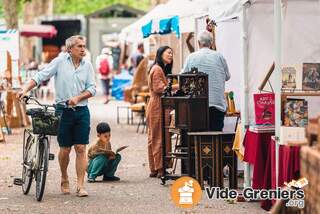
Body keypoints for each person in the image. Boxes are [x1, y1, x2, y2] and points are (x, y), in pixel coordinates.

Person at [17, 35, 96, 197]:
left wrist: (78, 98)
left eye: (84, 46)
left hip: (82, 111)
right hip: (62, 111)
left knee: (81, 148)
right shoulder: (59, 62)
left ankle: (80, 185)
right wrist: (25, 89)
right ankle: (64, 177)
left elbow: (93, 88)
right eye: (79, 46)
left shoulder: (88, 66)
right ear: (70, 49)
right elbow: (40, 76)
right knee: (65, 149)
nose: (83, 49)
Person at [182, 31, 230, 131]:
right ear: (211, 43)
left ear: (198, 42)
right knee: (216, 136)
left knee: (199, 137)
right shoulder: (219, 56)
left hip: (197, 104)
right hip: (217, 104)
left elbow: (183, 76)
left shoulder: (191, 57)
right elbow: (227, 77)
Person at [146, 46, 173, 178]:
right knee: (159, 136)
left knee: (154, 136)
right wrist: (177, 86)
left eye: (172, 53)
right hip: (158, 105)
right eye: (168, 52)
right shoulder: (157, 69)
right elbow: (158, 88)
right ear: (160, 54)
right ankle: (160, 168)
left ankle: (155, 168)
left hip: (156, 105)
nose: (171, 55)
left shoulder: (158, 68)